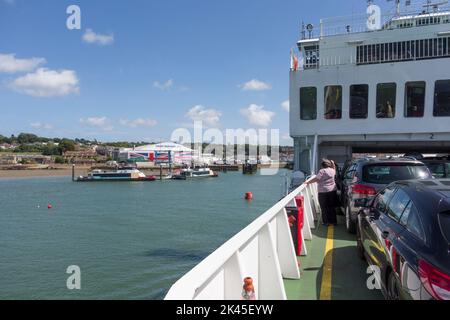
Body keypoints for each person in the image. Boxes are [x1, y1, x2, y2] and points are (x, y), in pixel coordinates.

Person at [306, 159, 338, 226]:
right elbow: (334, 169)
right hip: (332, 190)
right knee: (331, 206)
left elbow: (317, 179)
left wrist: (307, 182)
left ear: (322, 165)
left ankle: (326, 222)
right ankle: (334, 222)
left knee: (324, 207)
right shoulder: (332, 170)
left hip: (323, 191)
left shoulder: (322, 171)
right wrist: (333, 163)